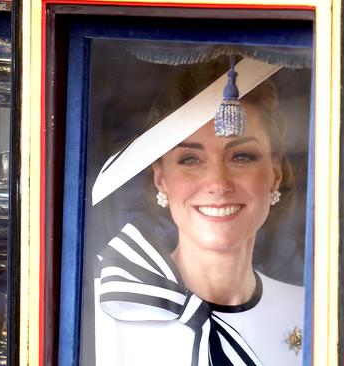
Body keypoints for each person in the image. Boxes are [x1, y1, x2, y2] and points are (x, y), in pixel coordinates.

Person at [91, 57, 305, 366]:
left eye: (242, 156)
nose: (218, 183)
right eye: (190, 160)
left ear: (275, 173)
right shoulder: (99, 312)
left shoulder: (310, 314)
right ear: (160, 178)